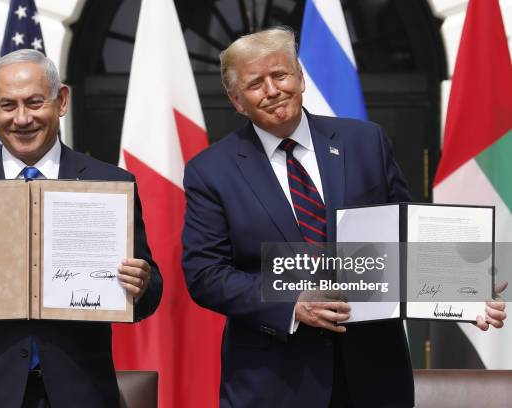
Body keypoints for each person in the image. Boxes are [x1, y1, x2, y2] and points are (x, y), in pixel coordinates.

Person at [181, 27, 506, 408]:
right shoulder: (211, 170)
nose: (271, 90)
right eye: (255, 83)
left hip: (374, 375)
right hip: (276, 382)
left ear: (300, 78)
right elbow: (206, 274)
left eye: (280, 75)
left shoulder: (365, 142)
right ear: (237, 101)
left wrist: (461, 291)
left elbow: (402, 237)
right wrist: (291, 304)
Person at [0, 49, 163, 408]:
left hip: (81, 392)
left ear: (61, 101)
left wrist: (142, 283)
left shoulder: (109, 184)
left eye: (35, 102)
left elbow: (148, 297)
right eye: (8, 105)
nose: (22, 118)